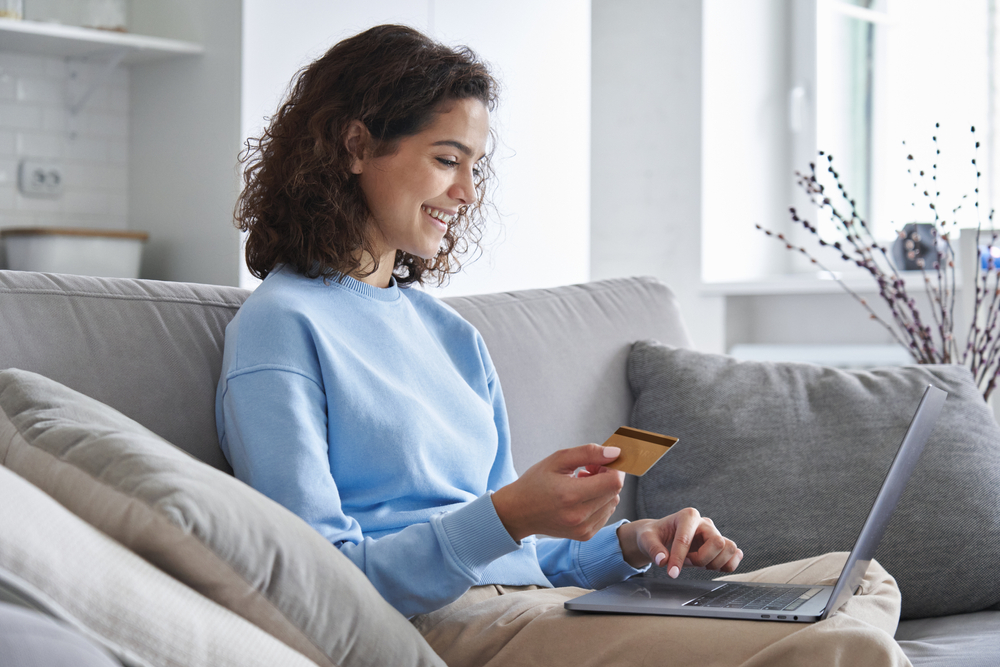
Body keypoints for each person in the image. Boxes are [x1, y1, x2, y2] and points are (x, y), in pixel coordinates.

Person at [217, 24, 910, 667]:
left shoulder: (451, 336)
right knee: (846, 643)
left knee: (853, 579)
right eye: (446, 159)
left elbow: (524, 556)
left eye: (474, 166)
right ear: (357, 146)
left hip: (535, 604)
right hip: (439, 623)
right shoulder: (282, 325)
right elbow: (317, 579)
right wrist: (508, 512)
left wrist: (633, 543)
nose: (465, 191)